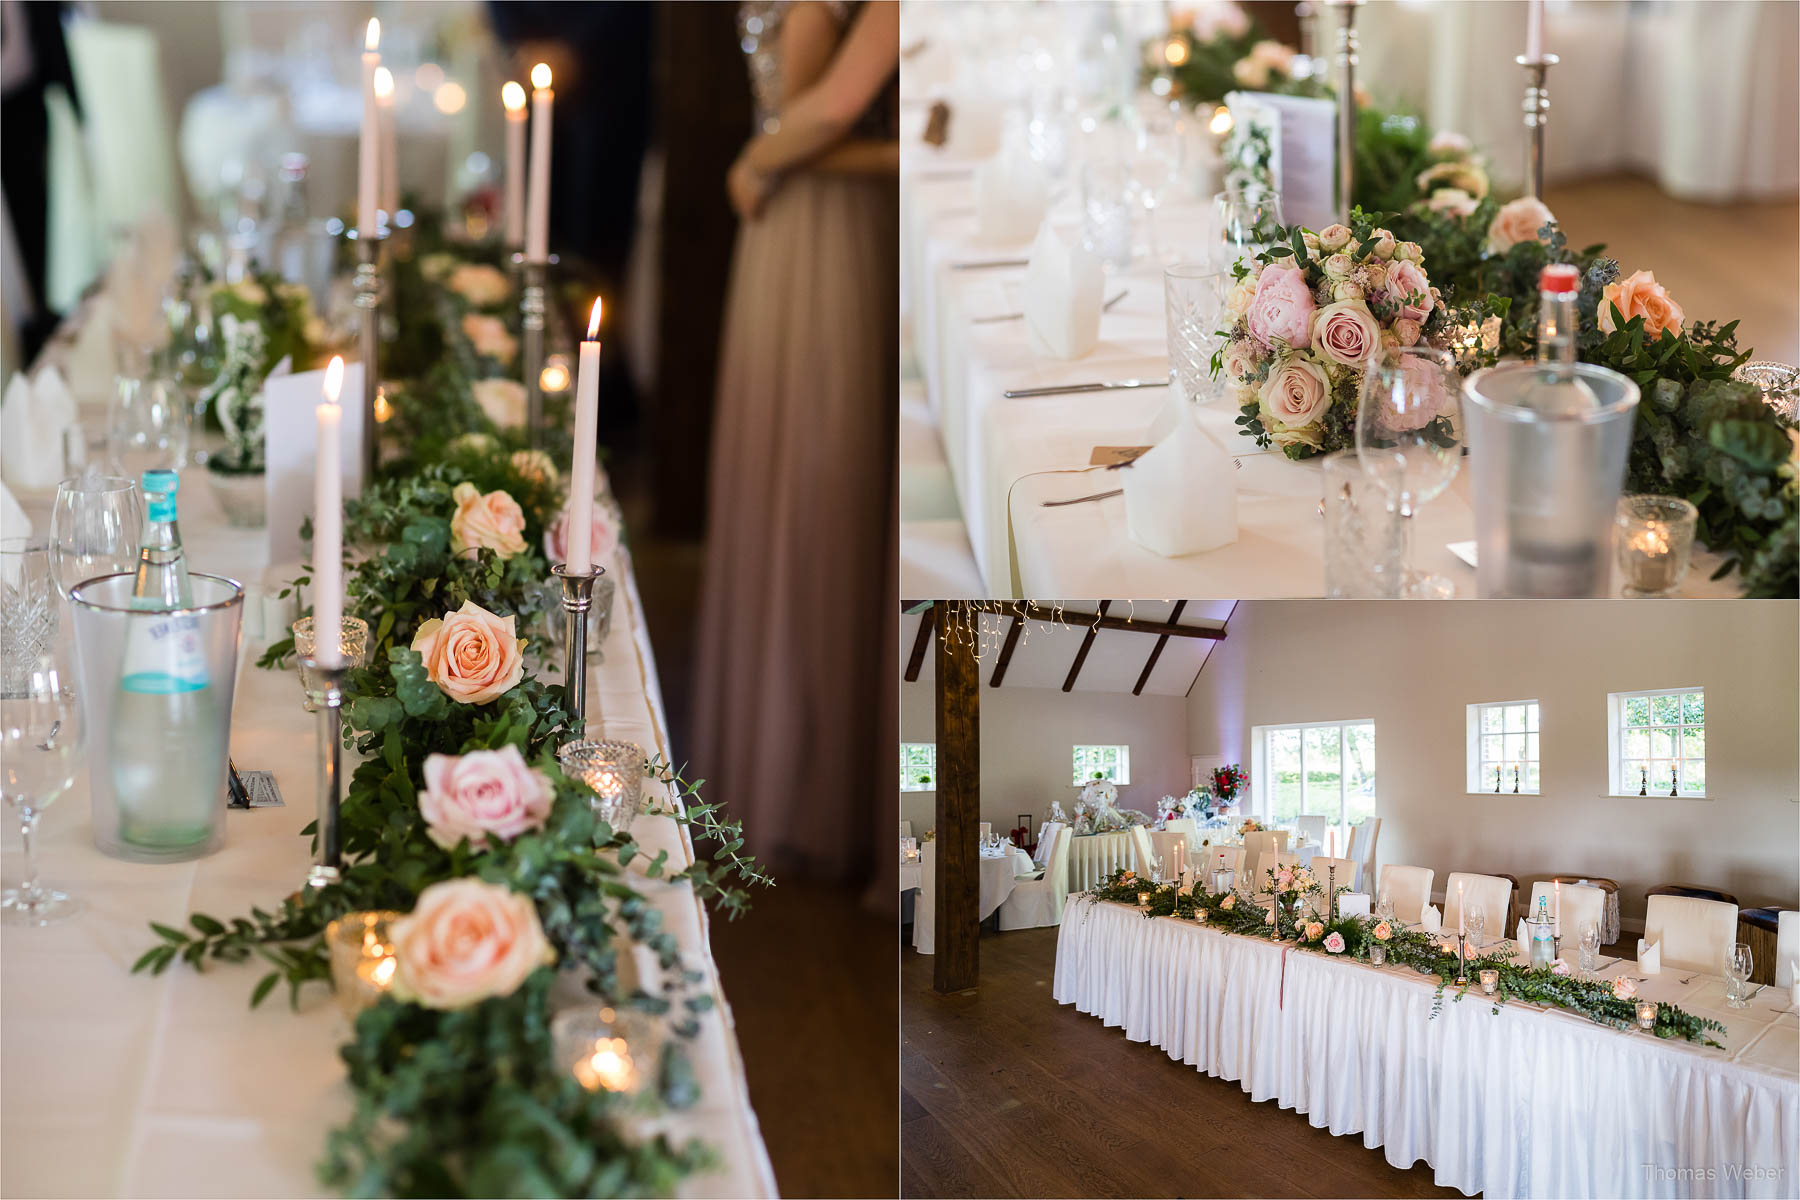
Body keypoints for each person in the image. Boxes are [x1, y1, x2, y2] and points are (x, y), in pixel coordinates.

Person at [693, 1, 897, 887]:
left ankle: (816, 784)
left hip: (832, 236)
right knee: (784, 485)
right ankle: (778, 771)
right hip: (790, 233)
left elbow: (833, 108)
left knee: (818, 494)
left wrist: (756, 156)